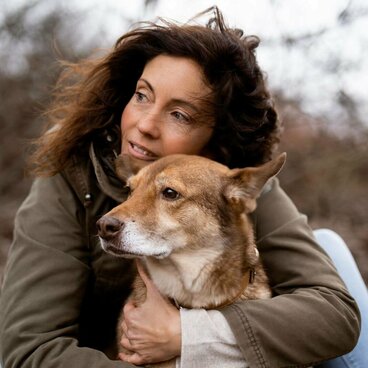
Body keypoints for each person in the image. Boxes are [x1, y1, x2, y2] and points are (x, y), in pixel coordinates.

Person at [0, 6, 363, 368]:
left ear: (215, 139)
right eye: (142, 95)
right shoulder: (72, 176)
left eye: (179, 115)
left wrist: (187, 336)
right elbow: (28, 350)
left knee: (328, 244)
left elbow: (336, 316)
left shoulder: (230, 180)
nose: (144, 124)